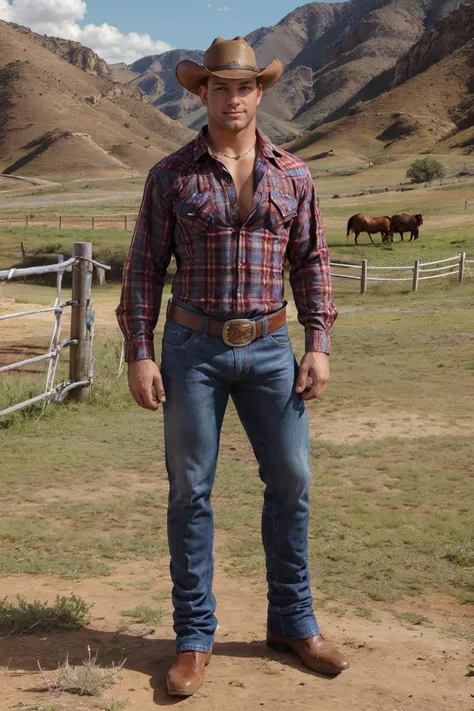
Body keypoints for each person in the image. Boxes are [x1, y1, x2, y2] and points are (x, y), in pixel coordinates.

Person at [116, 36, 349, 698]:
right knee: (191, 490)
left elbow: (311, 262)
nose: (233, 97)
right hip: (192, 350)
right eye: (220, 87)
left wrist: (319, 342)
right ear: (202, 93)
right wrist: (141, 350)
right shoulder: (170, 176)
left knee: (293, 480)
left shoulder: (294, 174)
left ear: (260, 92)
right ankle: (194, 637)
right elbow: (142, 268)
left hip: (274, 349)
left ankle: (293, 623)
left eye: (244, 87)